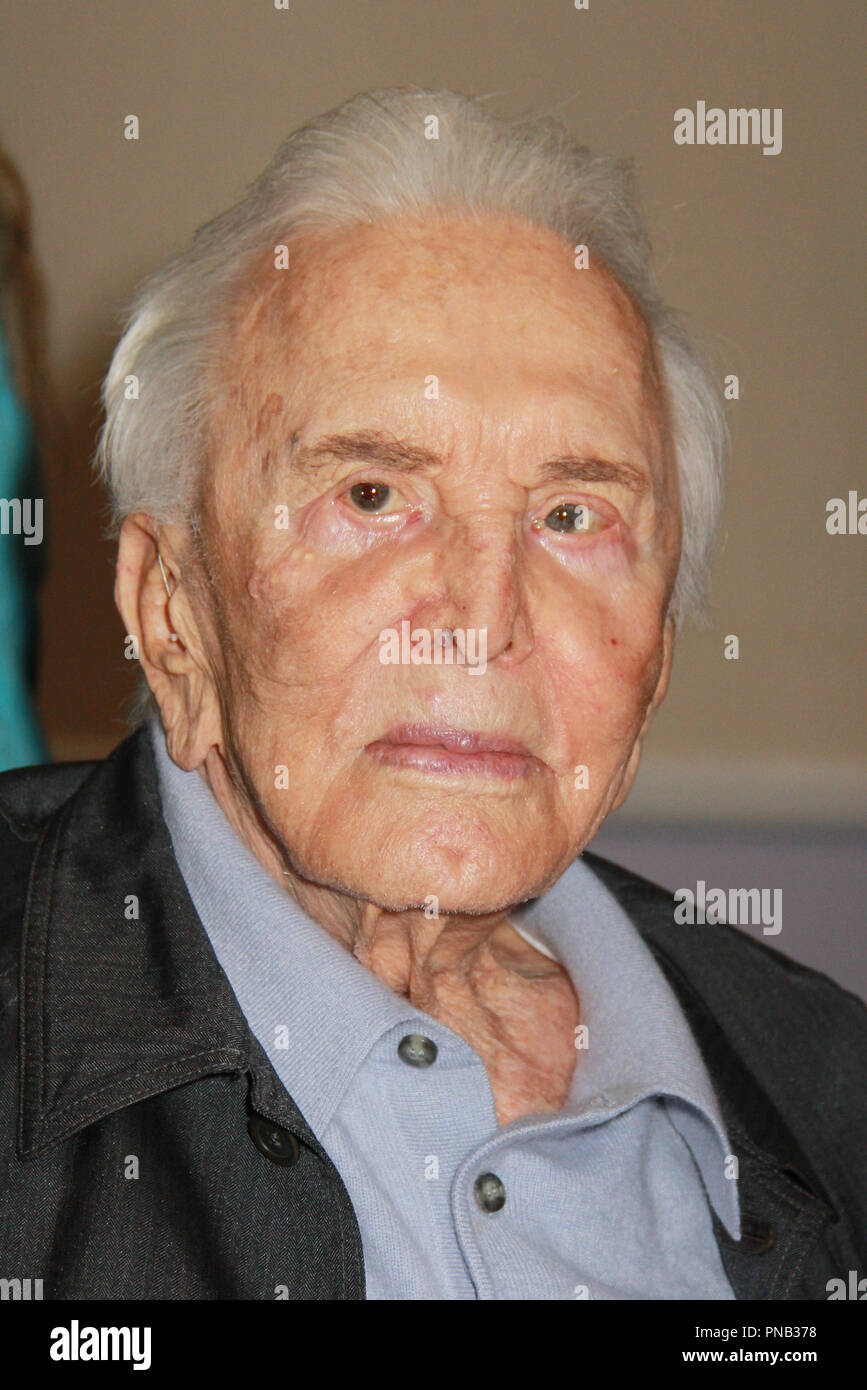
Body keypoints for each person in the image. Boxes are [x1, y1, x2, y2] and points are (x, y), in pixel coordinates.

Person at [0, 87, 863, 1301]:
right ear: (171, 612)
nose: (482, 618)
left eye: (573, 516)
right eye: (372, 496)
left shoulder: (834, 1089)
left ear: (658, 653)